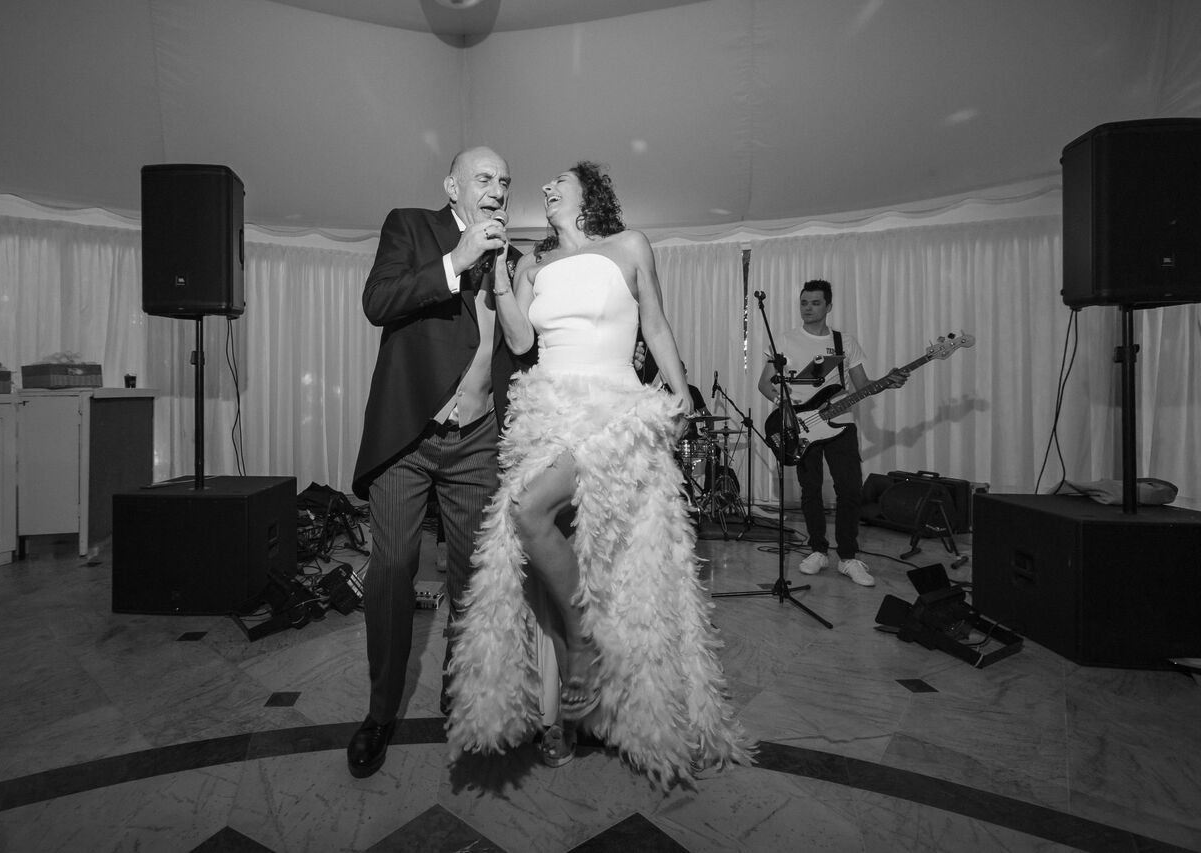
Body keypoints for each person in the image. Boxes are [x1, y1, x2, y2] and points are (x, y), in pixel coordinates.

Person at [444, 161, 753, 786]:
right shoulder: (532, 263)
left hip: (615, 414)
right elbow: (520, 341)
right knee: (546, 562)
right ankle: (566, 707)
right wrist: (500, 275)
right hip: (546, 415)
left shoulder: (629, 245)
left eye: (560, 181)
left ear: (590, 193)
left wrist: (681, 393)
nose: (546, 187)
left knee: (556, 527)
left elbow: (655, 323)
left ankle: (612, 684)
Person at [348, 146, 527, 779]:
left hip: (477, 440)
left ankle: (462, 682)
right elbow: (379, 302)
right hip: (408, 436)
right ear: (452, 186)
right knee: (392, 570)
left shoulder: (512, 257)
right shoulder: (411, 227)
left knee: (472, 578)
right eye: (484, 177)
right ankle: (380, 711)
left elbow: (520, 346)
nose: (497, 189)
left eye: (505, 181)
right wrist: (458, 260)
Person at [757, 279, 907, 587]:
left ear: (828, 306)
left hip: (841, 423)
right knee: (810, 489)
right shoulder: (784, 340)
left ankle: (848, 557)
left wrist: (887, 382)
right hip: (801, 425)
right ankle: (818, 550)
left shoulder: (844, 342)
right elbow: (764, 384)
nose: (808, 308)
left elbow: (862, 386)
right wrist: (782, 403)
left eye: (815, 303)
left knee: (850, 489)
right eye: (804, 303)